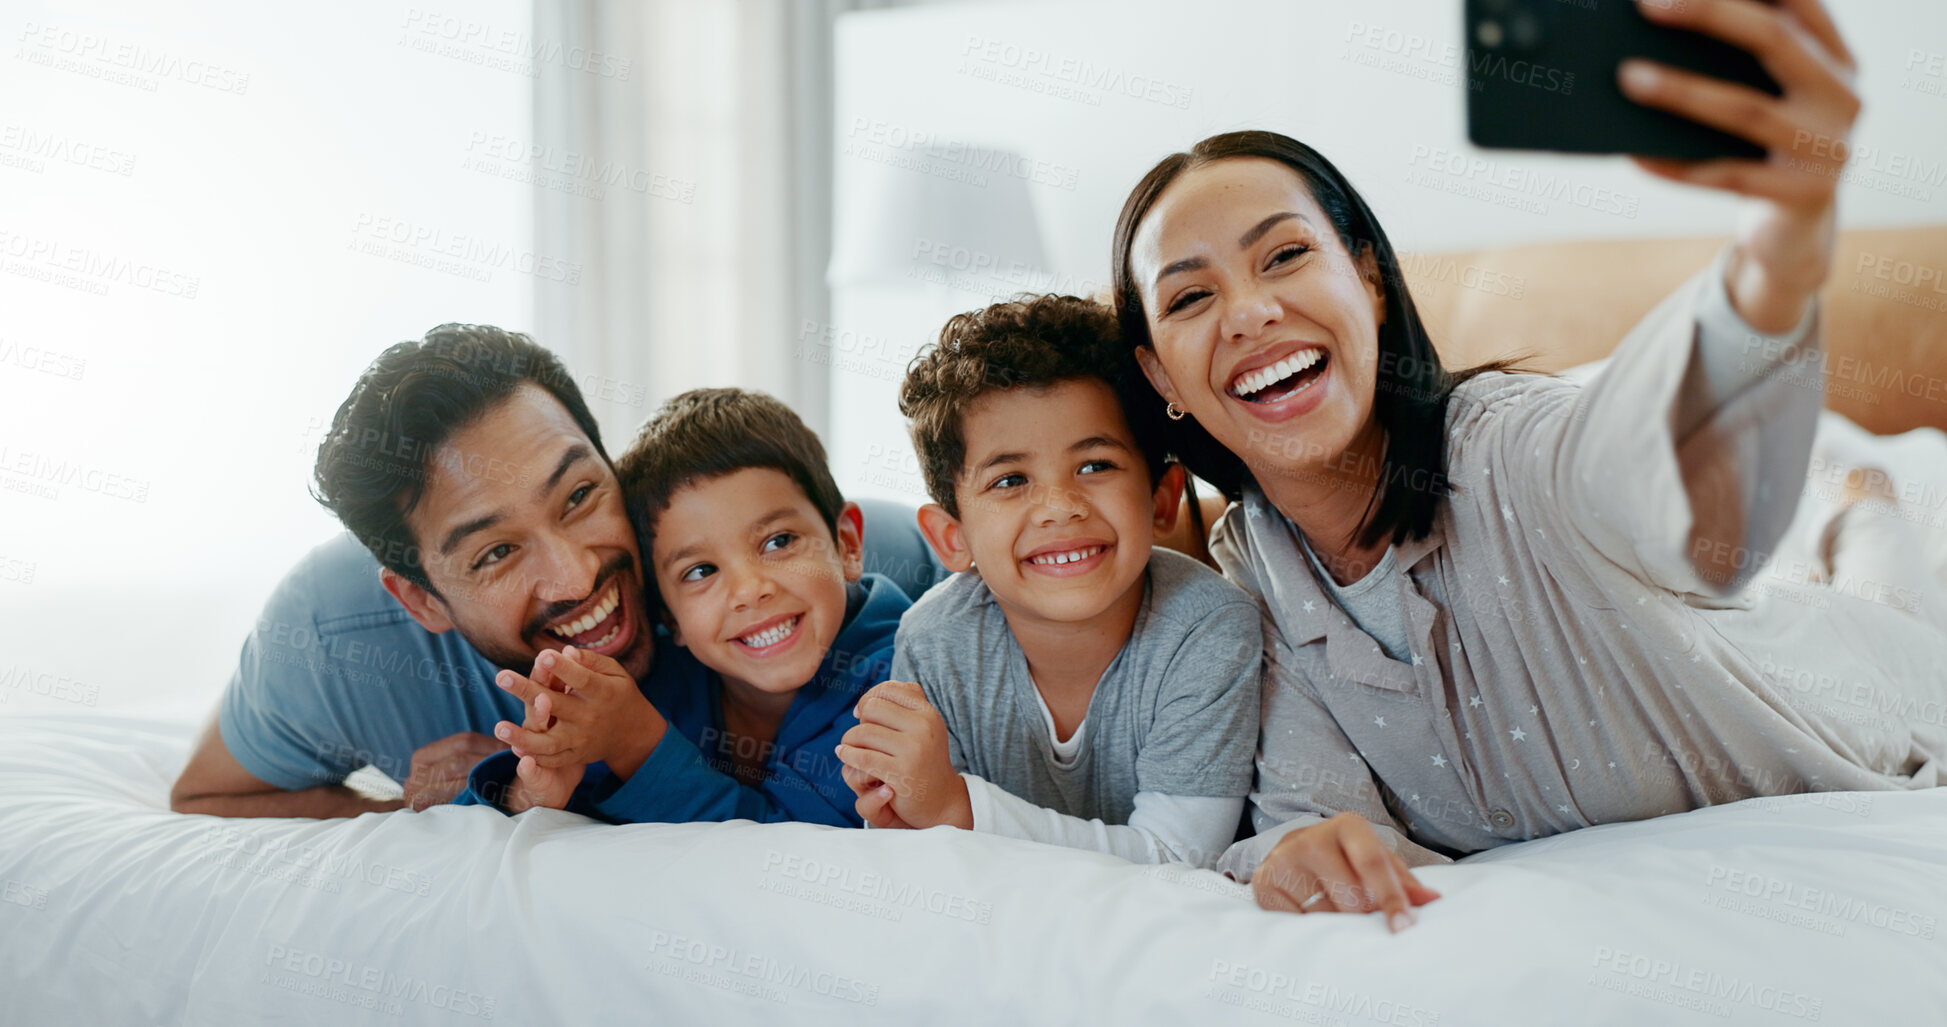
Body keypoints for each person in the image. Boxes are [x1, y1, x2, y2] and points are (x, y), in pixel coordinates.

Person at [1111, 0, 1947, 930]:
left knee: (1884, 592)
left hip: (1869, 702)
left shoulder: (1511, 450)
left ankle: (1861, 500)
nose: (1249, 312)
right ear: (1159, 374)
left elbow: (1687, 498)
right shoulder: (1250, 574)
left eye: (1286, 255)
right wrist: (1289, 853)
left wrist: (1780, 249)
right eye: (1189, 296)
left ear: (1370, 282)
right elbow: (1315, 813)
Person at [171, 327, 937, 818]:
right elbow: (206, 793)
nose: (575, 577)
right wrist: (440, 806)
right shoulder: (332, 634)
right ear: (421, 597)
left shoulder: (886, 567)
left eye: (578, 495)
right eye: (496, 552)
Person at [836, 294, 1261, 869]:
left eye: (1094, 466)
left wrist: (958, 809)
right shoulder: (933, 641)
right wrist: (896, 810)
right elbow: (924, 852)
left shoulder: (1208, 628)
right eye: (1010, 480)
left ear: (1161, 500)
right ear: (952, 538)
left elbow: (1178, 859)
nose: (1059, 508)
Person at [459, 388, 908, 826]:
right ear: (668, 617)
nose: (749, 591)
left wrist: (637, 745)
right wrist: (527, 793)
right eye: (700, 571)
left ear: (846, 543)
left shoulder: (902, 681)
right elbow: (473, 825)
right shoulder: (664, 674)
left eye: (778, 542)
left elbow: (784, 858)